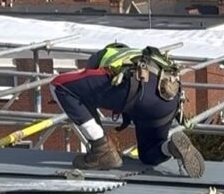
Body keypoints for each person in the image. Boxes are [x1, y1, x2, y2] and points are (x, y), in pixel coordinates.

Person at [50, 43, 204, 178]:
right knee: (149, 155)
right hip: (169, 99)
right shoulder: (141, 56)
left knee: (59, 86)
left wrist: (75, 103)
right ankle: (170, 148)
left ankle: (101, 149)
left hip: (136, 85)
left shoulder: (103, 57)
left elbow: (72, 83)